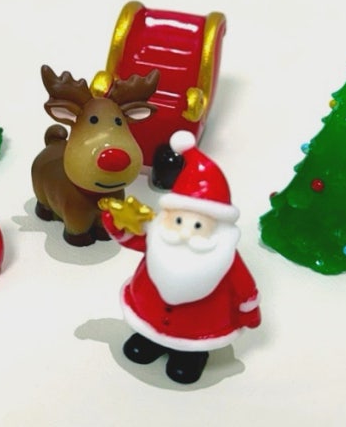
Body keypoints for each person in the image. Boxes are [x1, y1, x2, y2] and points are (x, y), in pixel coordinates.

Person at [101, 131, 261, 384]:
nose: (185, 232)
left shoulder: (223, 256)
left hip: (200, 325)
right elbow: (134, 240)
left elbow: (244, 287)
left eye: (197, 225)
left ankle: (189, 356)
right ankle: (149, 340)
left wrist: (249, 313)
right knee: (144, 336)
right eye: (178, 221)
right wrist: (117, 225)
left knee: (187, 355)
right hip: (149, 309)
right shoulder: (159, 238)